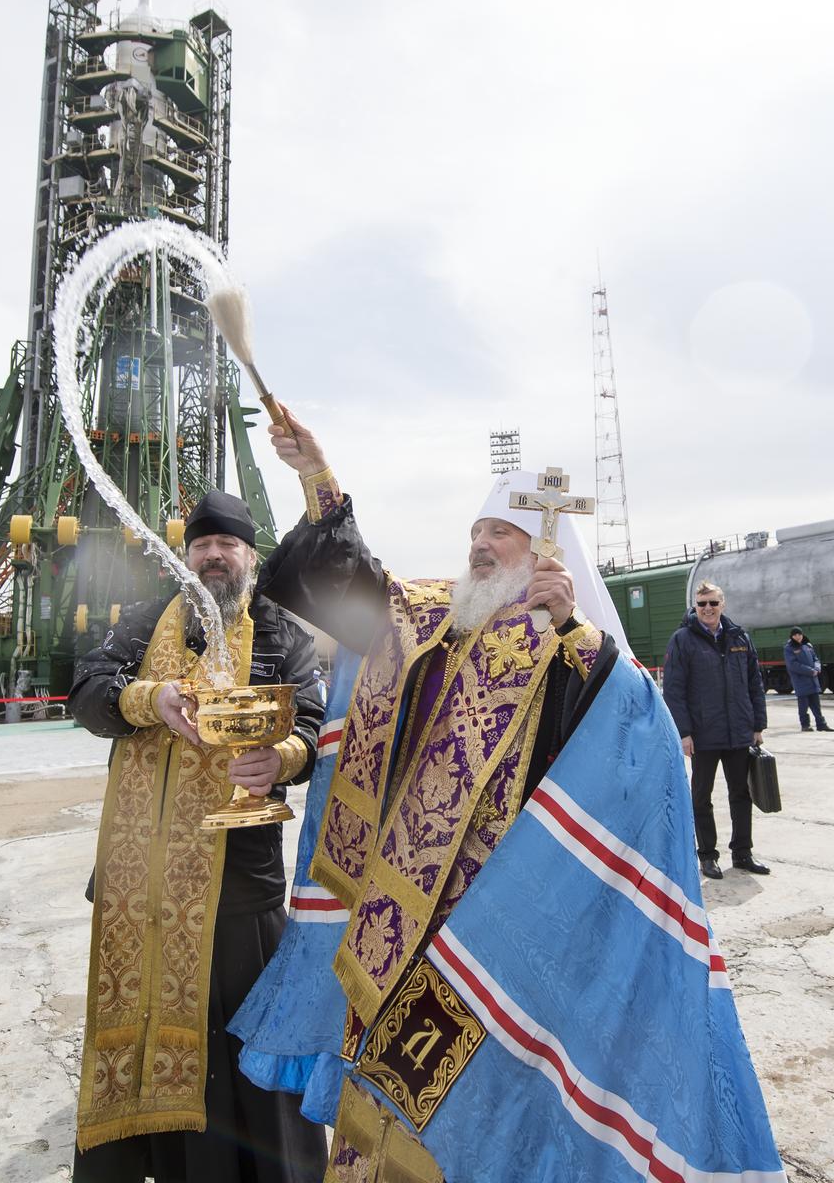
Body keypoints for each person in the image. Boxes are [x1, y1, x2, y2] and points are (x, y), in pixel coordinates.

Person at [233, 411, 783, 1183]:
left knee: (467, 1111)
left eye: (501, 533)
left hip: (490, 930)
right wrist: (316, 476)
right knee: (378, 1105)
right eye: (476, 531)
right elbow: (353, 587)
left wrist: (573, 634)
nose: (480, 545)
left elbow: (636, 746)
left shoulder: (577, 648)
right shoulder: (431, 616)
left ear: (547, 551)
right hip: (394, 918)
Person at [68, 489, 328, 1183]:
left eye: (228, 545)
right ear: (186, 558)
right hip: (143, 881)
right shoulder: (147, 623)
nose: (214, 556)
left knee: (244, 1046)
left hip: (239, 880)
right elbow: (87, 691)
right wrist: (148, 698)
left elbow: (312, 723)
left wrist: (282, 759)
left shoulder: (282, 635)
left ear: (250, 556)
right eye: (201, 546)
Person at [662, 580, 770, 880]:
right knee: (701, 797)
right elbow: (673, 690)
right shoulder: (683, 640)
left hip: (738, 732)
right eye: (702, 604)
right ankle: (708, 856)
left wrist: (757, 725)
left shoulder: (739, 638)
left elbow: (754, 684)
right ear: (695, 607)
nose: (707, 609)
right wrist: (684, 733)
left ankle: (743, 852)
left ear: (722, 604)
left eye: (713, 603)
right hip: (704, 735)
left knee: (741, 793)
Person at [784, 627, 834, 732]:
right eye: (795, 635)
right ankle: (805, 725)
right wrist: (810, 671)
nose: (798, 637)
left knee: (816, 705)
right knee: (803, 706)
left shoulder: (807, 646)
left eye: (799, 634)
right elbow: (793, 665)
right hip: (801, 681)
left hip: (812, 680)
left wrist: (817, 668)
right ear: (792, 636)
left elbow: (816, 659)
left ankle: (821, 724)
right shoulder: (789, 648)